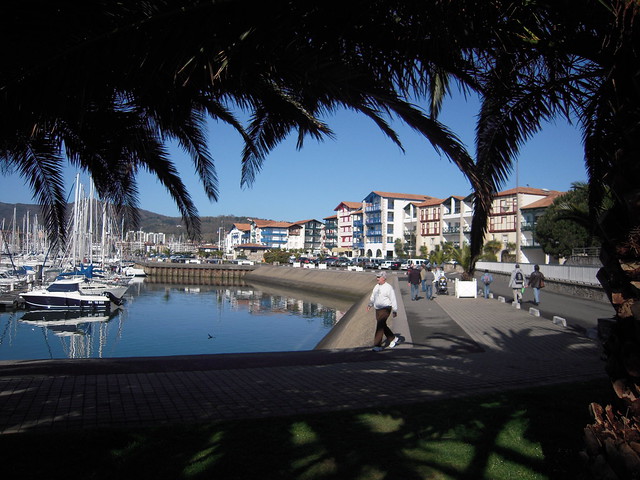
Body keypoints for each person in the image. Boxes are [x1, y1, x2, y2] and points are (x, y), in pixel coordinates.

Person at [366, 271, 398, 351]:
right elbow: (373, 297)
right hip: (378, 309)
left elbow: (393, 299)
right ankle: (392, 338)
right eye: (377, 277)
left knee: (380, 326)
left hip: (386, 308)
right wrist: (370, 304)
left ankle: (377, 345)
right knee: (382, 325)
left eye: (379, 277)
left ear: (383, 278)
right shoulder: (376, 286)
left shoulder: (388, 287)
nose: (377, 279)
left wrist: (394, 310)